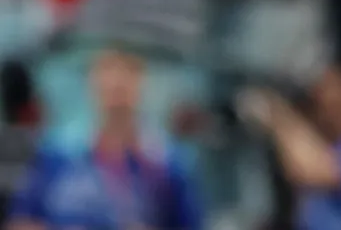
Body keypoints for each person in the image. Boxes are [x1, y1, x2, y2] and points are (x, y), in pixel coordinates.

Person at [5, 48, 203, 230]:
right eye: (107, 71)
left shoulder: (166, 164)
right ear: (92, 81)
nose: (116, 83)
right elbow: (21, 220)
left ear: (142, 82)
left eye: (128, 72)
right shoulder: (56, 154)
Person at [238, 65, 341, 230]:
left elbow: (310, 172)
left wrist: (276, 114)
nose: (329, 114)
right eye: (322, 105)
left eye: (337, 106)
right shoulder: (325, 148)